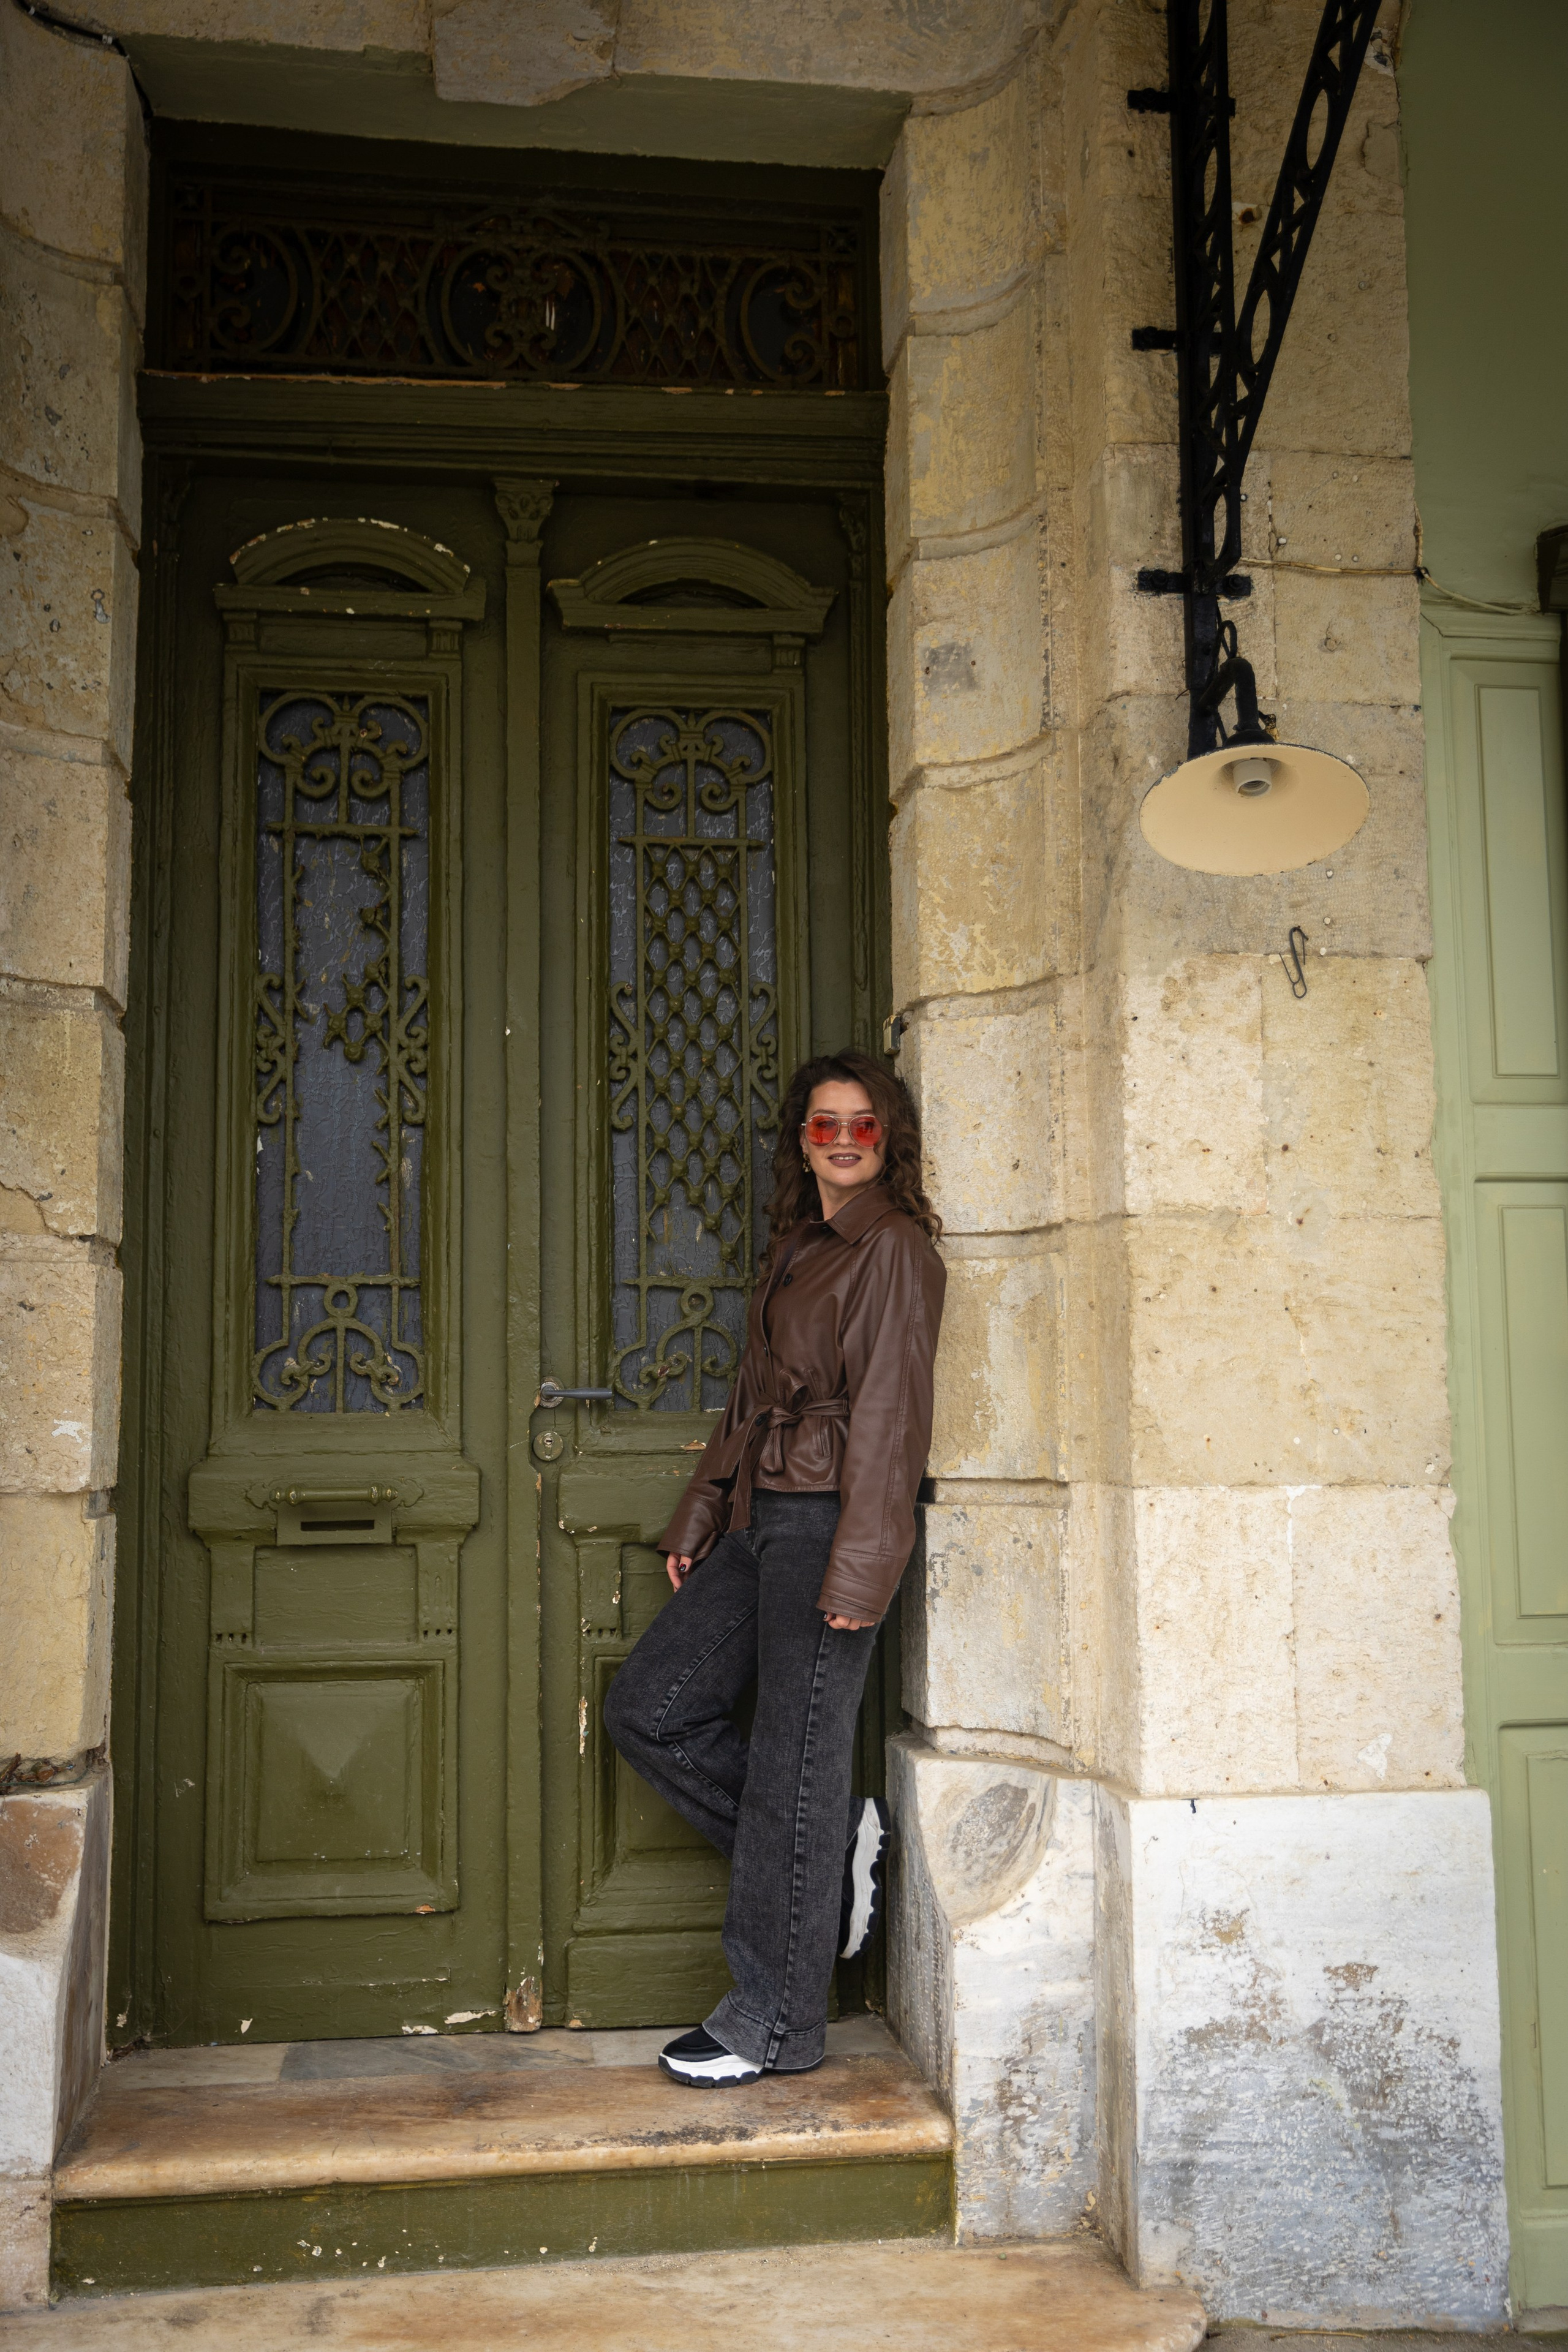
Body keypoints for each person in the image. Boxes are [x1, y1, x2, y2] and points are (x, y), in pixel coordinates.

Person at [604, 1048, 946, 2087]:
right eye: (823, 1125)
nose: (842, 1142)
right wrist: (702, 1510)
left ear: (888, 1141)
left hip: (830, 1526)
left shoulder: (894, 1249)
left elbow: (893, 1420)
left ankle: (776, 2023)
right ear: (801, 1139)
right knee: (650, 1710)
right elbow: (752, 1396)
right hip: (763, 1520)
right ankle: (829, 1848)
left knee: (792, 1767)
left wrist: (863, 1571)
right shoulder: (800, 1243)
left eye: (863, 1126)